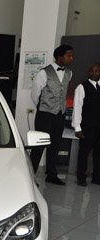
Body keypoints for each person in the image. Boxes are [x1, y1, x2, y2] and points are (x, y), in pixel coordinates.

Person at [30, 44, 74, 185]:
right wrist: (43, 107)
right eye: (69, 55)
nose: (71, 58)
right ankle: (30, 176)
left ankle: (51, 174)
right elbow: (35, 94)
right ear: (59, 56)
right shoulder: (43, 73)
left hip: (59, 114)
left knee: (55, 146)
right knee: (38, 147)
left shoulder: (69, 73)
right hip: (45, 115)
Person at [72, 63, 100, 186]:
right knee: (84, 153)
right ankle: (81, 177)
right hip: (87, 126)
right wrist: (77, 127)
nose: (95, 73)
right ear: (89, 72)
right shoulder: (81, 87)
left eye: (98, 71)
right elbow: (77, 108)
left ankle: (96, 177)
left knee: (98, 154)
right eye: (93, 71)